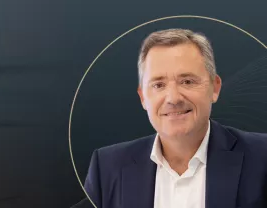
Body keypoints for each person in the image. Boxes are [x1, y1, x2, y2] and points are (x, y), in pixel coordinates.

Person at [84, 28, 267, 208]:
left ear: (215, 88)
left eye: (187, 81)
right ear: (142, 97)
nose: (173, 98)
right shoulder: (107, 168)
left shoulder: (262, 157)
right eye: (158, 85)